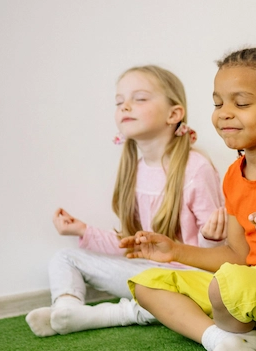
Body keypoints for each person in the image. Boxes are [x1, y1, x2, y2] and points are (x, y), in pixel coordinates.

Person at [123, 48, 256, 351]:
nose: (224, 112)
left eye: (241, 103)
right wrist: (174, 250)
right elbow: (238, 255)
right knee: (148, 282)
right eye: (218, 103)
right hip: (247, 284)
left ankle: (233, 332)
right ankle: (219, 338)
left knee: (230, 284)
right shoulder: (232, 175)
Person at [25, 65, 224, 337]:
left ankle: (126, 312)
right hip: (148, 271)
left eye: (139, 98)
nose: (125, 106)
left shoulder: (196, 168)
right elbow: (132, 245)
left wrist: (211, 237)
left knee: (162, 291)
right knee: (64, 257)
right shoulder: (135, 169)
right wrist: (83, 232)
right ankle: (68, 310)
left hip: (188, 277)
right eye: (119, 102)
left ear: (174, 114)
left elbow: (218, 255)